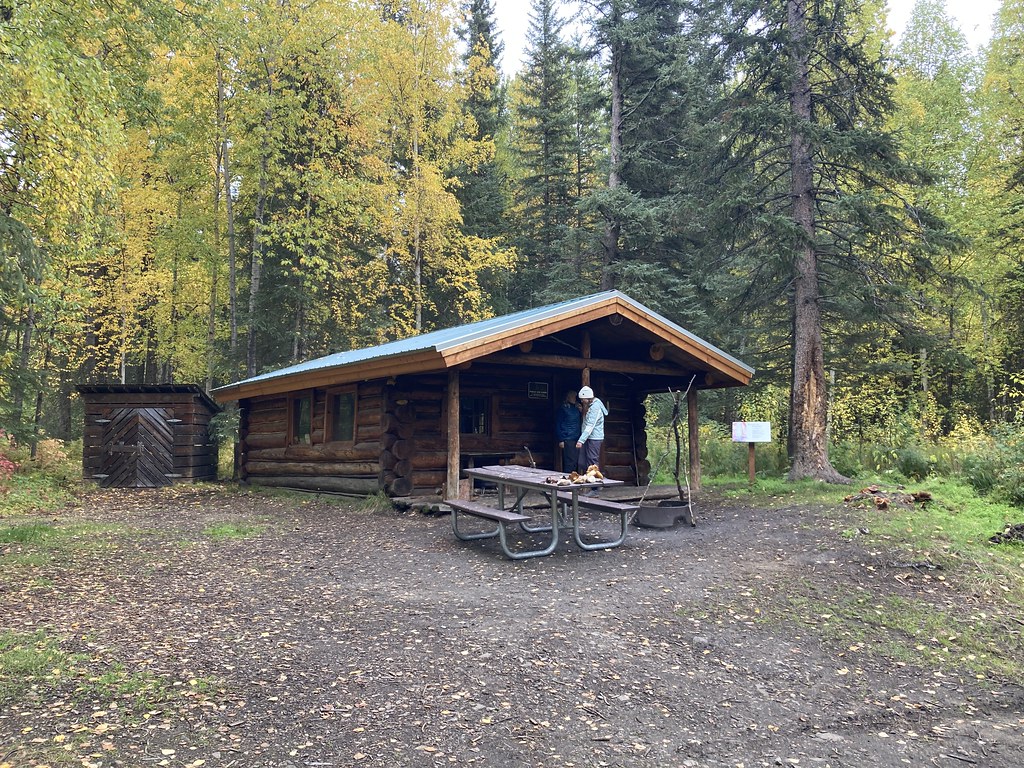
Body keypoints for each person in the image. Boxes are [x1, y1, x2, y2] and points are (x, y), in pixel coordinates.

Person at [575, 385, 608, 493]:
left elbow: (590, 426)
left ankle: (596, 488)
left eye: (583, 399)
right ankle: (590, 482)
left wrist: (581, 440)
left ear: (588, 397)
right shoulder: (592, 406)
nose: (582, 401)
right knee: (582, 462)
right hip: (589, 437)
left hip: (594, 438)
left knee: (592, 463)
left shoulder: (595, 407)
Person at [555, 390, 581, 473]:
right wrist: (561, 439)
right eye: (572, 396)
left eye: (575, 396)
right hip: (568, 437)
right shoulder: (563, 409)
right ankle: (567, 480)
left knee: (576, 462)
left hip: (577, 437)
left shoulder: (577, 408)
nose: (574, 398)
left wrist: (582, 410)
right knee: (570, 462)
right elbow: (558, 424)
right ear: (568, 397)